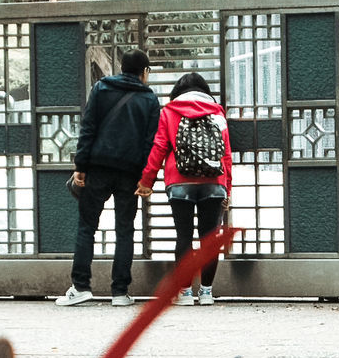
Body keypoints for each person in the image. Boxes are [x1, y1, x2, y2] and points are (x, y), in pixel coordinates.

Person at [56, 49, 161, 308]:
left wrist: (80, 166)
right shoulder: (150, 100)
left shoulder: (101, 89)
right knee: (125, 230)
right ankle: (120, 293)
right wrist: (146, 178)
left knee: (87, 227)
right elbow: (151, 143)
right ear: (144, 72)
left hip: (98, 168)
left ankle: (80, 287)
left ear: (122, 68)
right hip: (130, 174)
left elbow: (88, 128)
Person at [137, 72, 232, 306]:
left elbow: (159, 146)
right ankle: (207, 292)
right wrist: (227, 188)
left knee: (184, 237)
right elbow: (226, 153)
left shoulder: (170, 111)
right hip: (213, 182)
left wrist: (146, 181)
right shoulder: (216, 112)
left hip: (179, 182)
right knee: (209, 238)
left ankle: (186, 292)